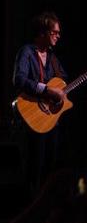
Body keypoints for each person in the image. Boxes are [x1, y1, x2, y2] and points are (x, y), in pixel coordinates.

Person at [12, 12, 67, 195]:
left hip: (50, 119)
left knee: (51, 167)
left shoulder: (52, 57)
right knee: (34, 167)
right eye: (54, 32)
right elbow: (19, 79)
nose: (58, 36)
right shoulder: (27, 52)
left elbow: (62, 80)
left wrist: (57, 91)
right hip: (33, 119)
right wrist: (46, 89)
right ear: (43, 32)